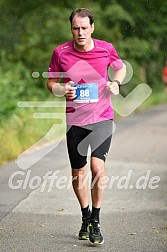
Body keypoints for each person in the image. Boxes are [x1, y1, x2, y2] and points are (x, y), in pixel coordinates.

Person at [47, 8, 126, 245]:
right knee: (78, 173)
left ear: (92, 27)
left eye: (84, 27)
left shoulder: (105, 48)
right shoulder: (60, 52)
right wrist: (62, 90)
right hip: (75, 121)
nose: (80, 32)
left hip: (102, 118)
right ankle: (85, 215)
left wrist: (116, 83)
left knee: (97, 167)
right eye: (75, 28)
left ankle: (96, 221)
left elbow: (119, 68)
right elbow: (51, 81)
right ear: (71, 28)